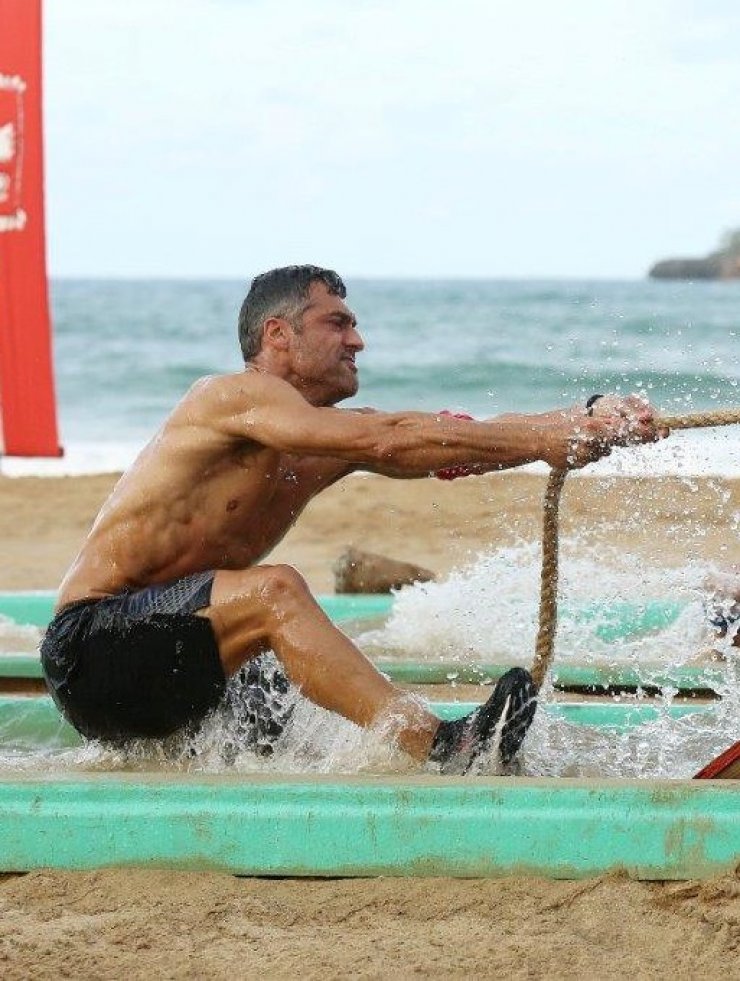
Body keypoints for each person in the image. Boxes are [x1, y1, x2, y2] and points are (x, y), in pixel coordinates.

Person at [40, 265, 669, 773]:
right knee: (274, 591)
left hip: (176, 657)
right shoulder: (228, 396)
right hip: (91, 653)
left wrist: (587, 417)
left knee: (278, 693)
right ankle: (439, 747)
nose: (357, 341)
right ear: (278, 336)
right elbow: (390, 440)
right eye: (337, 323)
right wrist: (547, 442)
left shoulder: (318, 441)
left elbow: (446, 441)